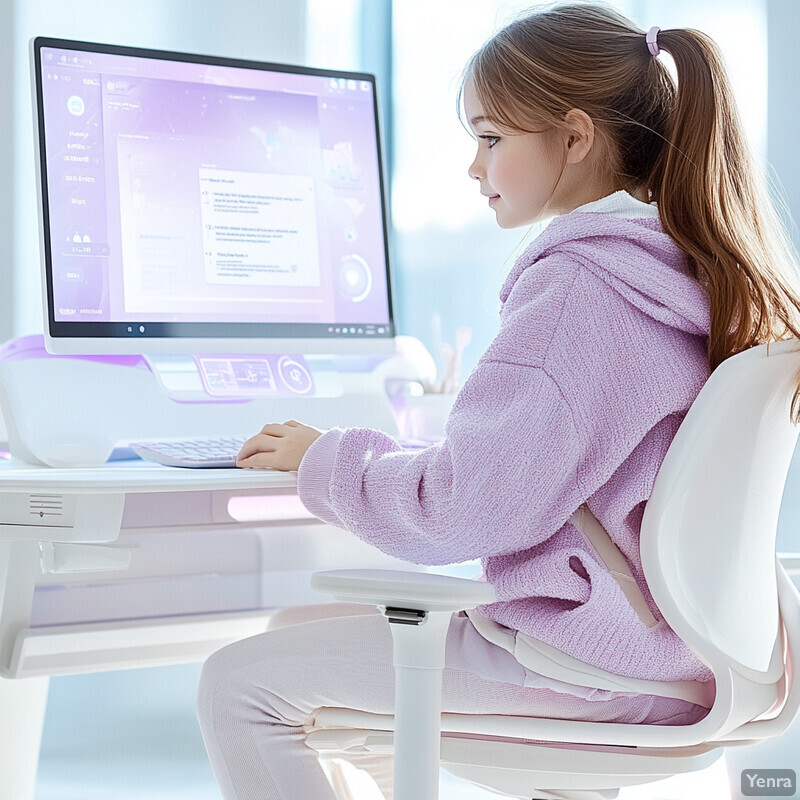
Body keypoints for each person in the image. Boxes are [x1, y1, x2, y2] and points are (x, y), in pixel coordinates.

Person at [196, 3, 800, 798]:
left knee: (238, 686)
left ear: (575, 137)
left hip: (586, 659)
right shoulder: (685, 272)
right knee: (301, 644)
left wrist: (325, 458)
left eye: (490, 139)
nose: (474, 168)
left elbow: (461, 512)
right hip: (677, 655)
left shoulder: (580, 288)